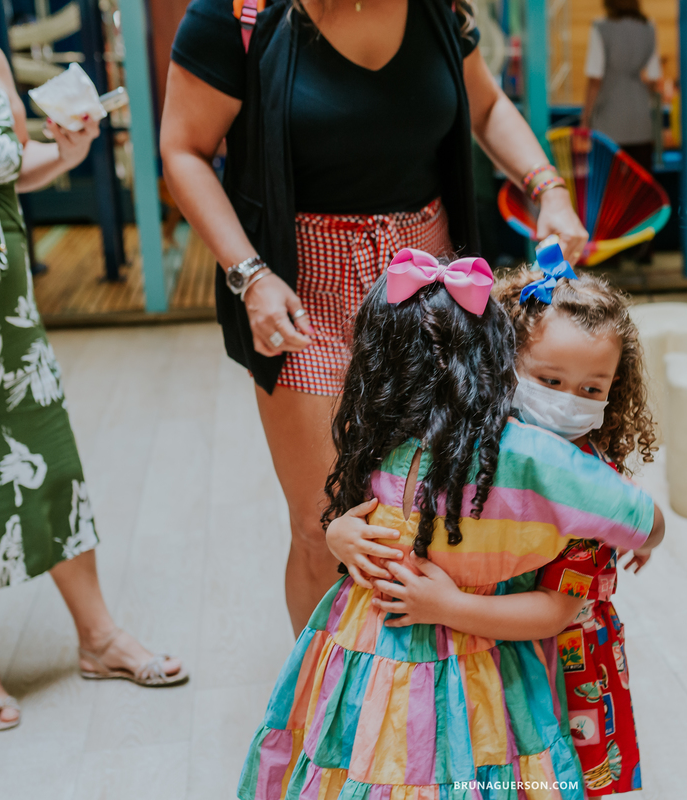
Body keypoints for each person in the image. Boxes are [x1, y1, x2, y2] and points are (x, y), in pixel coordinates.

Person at [161, 0, 591, 637]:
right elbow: (184, 150)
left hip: (431, 284)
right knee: (323, 525)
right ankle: (319, 683)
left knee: (436, 505)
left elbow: (486, 107)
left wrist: (547, 187)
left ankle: (420, 675)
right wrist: (250, 274)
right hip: (303, 284)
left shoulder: (438, 9)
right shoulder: (235, 14)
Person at [237, 250, 664, 799]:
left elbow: (558, 608)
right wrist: (340, 534)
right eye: (549, 380)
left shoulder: (576, 483)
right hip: (438, 655)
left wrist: (447, 605)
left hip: (545, 656)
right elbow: (372, 506)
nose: (565, 404)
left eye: (591, 390)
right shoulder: (427, 437)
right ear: (501, 360)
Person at [0, 0, 186, 732]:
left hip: (8, 327)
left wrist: (66, 152)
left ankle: (98, 637)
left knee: (53, 469)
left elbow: (9, 168)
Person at [581, 0, 661, 264]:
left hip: (609, 121)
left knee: (607, 192)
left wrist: (585, 120)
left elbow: (595, 78)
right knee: (640, 191)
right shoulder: (649, 27)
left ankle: (610, 254)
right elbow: (654, 77)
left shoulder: (600, 28)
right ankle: (642, 251)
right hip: (640, 118)